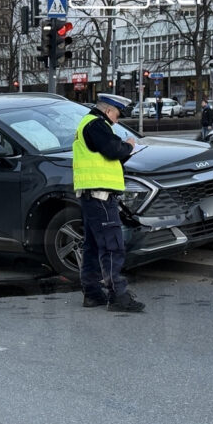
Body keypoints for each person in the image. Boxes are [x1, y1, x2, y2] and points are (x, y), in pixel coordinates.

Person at [72, 93, 144, 313]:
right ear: (107, 110)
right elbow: (114, 151)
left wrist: (123, 151)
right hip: (100, 196)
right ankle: (118, 296)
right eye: (116, 114)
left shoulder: (91, 124)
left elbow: (109, 156)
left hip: (92, 196)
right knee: (112, 246)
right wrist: (129, 145)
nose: (118, 119)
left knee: (93, 246)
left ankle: (92, 294)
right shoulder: (96, 125)